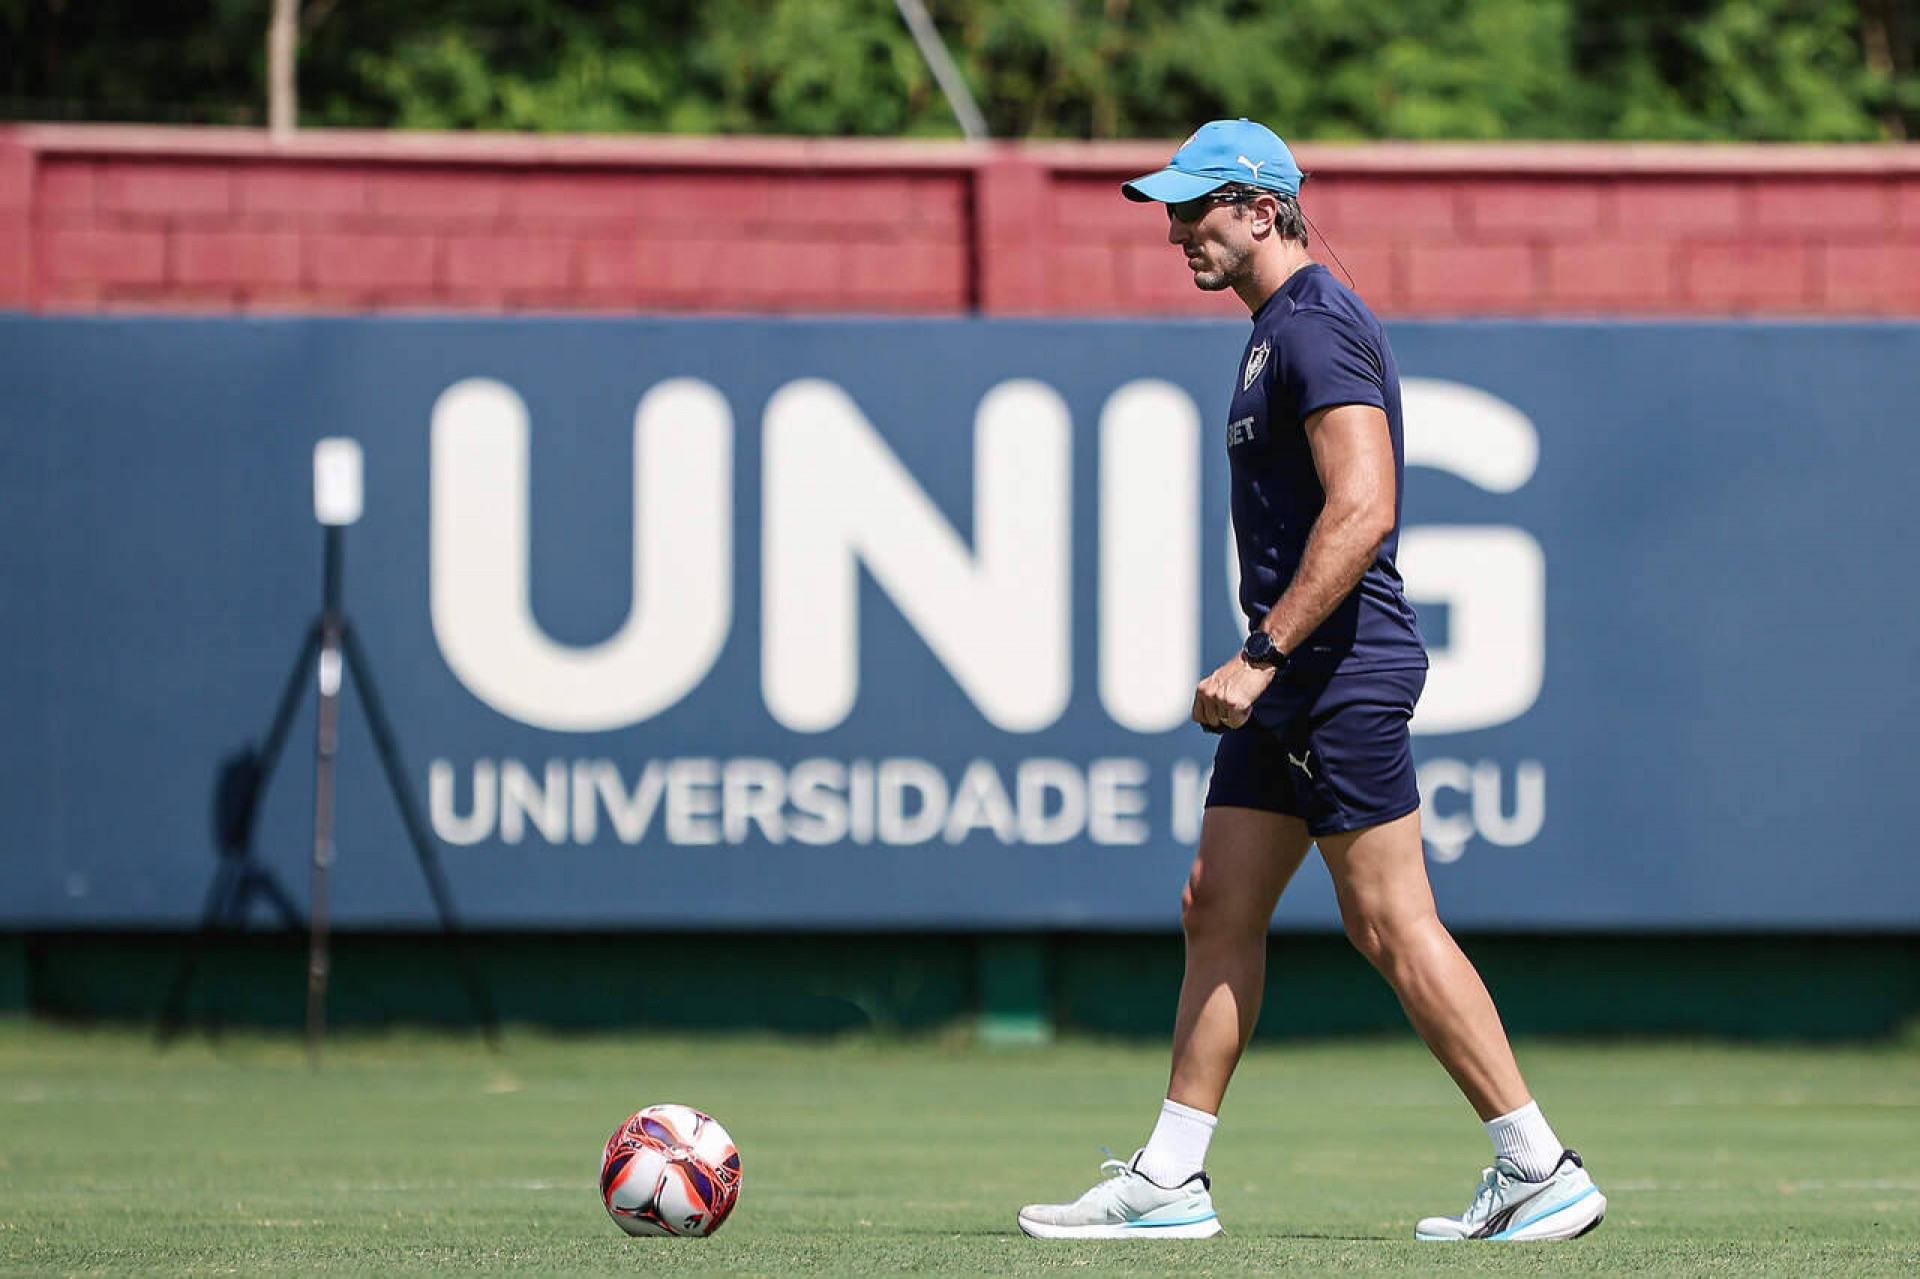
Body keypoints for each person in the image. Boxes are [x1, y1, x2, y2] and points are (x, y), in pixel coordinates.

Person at [1015, 119, 1606, 1243]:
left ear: (1264, 208)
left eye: (1198, 208)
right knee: (1217, 904)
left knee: (1388, 921)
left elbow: (1366, 504)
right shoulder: (1270, 330)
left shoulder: (1317, 324)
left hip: (1333, 667)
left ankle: (1538, 1163)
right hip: (1297, 674)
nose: (1179, 229)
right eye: (1172, 209)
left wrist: (1262, 653)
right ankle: (1170, 1178)